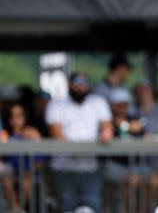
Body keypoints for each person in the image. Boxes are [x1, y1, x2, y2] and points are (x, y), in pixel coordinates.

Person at [46, 72, 113, 212]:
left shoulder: (97, 102)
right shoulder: (57, 104)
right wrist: (77, 149)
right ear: (70, 84)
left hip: (90, 166)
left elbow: (107, 129)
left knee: (92, 205)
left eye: (84, 82)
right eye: (77, 82)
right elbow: (57, 134)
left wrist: (105, 134)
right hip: (64, 167)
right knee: (67, 205)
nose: (81, 86)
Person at [2, 103, 43, 210]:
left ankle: (17, 208)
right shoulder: (4, 135)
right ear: (8, 118)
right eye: (12, 116)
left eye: (19, 115)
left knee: (26, 176)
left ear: (25, 117)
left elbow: (39, 159)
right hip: (10, 172)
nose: (16, 119)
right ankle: (16, 208)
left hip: (29, 171)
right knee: (5, 174)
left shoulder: (32, 132)